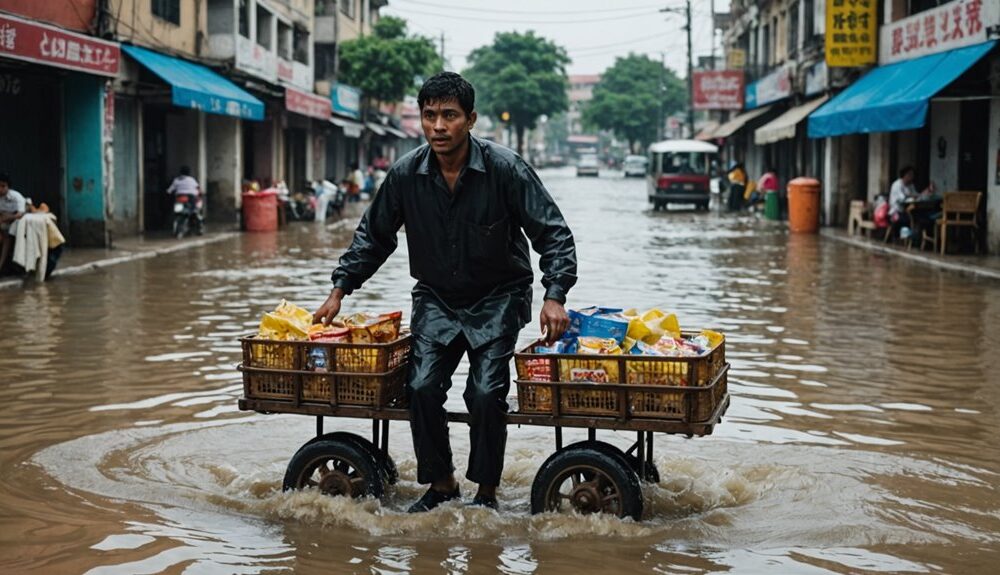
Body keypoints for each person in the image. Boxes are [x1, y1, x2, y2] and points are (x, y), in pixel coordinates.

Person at [313, 72, 577, 513]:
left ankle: (487, 492)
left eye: (449, 116)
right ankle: (442, 483)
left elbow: (553, 234)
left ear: (470, 119)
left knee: (486, 392)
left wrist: (555, 294)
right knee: (419, 386)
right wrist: (340, 288)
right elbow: (373, 237)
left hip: (500, 296)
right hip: (436, 297)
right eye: (429, 115)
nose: (438, 126)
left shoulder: (506, 169)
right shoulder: (404, 175)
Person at [0, 172, 26, 274]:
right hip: (3, 224)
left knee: (7, 237)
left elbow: (21, 214)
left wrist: (7, 217)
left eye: (3, 186)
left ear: (8, 187)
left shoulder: (16, 197)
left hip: (15, 222)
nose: (0, 189)